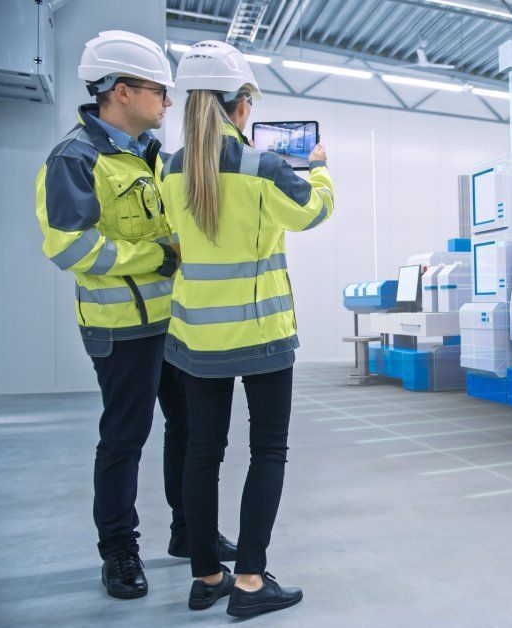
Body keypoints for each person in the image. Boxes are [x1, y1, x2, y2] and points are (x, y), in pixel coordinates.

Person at [34, 30, 235, 601]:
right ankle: (119, 551)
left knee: (190, 429)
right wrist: (159, 257)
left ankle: (187, 531)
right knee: (125, 436)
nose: (168, 103)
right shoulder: (75, 159)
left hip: (172, 324)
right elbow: (70, 248)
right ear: (122, 92)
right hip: (119, 327)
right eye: (160, 92)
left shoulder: (151, 157)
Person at [160, 40, 334, 617]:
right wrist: (322, 170)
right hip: (261, 334)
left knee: (201, 452)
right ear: (239, 104)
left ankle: (207, 576)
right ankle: (251, 582)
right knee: (268, 450)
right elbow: (311, 211)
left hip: (195, 338)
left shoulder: (170, 167)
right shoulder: (264, 165)